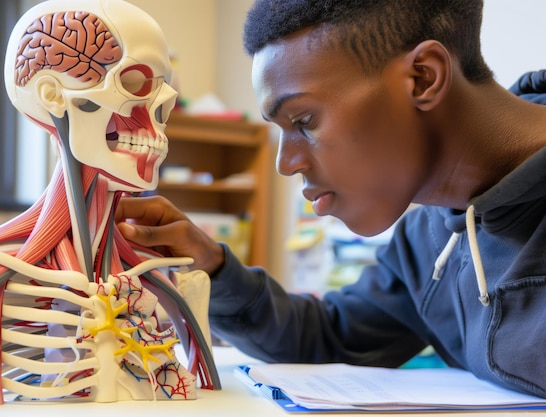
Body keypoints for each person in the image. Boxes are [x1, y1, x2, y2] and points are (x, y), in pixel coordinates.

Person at [115, 0, 546, 397]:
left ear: (423, 78)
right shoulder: (427, 243)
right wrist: (214, 267)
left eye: (303, 120)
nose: (286, 163)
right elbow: (331, 336)